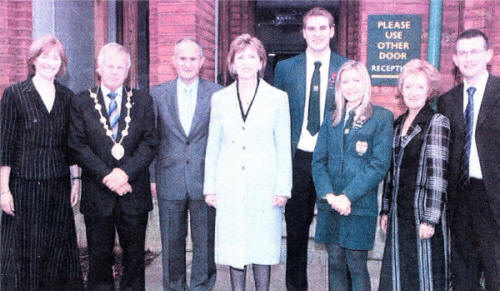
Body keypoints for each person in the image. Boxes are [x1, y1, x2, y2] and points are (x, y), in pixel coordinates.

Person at [204, 34, 291, 291]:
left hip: (265, 186)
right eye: (240, 57)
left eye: (251, 56)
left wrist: (282, 188)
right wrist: (210, 187)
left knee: (262, 247)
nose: (246, 62)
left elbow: (283, 146)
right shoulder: (220, 99)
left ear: (261, 61)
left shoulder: (277, 98)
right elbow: (213, 144)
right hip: (230, 184)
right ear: (232, 64)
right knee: (236, 247)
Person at [68, 43, 159, 291]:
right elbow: (77, 145)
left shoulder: (142, 100)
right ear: (99, 68)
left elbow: (150, 142)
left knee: (134, 261)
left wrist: (124, 173)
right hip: (98, 193)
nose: (115, 71)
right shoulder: (81, 102)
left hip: (133, 192)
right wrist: (108, 176)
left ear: (128, 70)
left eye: (121, 66)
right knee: (98, 261)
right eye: (110, 65)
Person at [273, 7, 348, 290]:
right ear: (303, 33)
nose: (317, 34)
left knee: (335, 234)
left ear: (332, 31)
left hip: (332, 161)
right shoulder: (285, 68)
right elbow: (279, 116)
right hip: (299, 160)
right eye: (311, 28)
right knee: (296, 232)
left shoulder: (345, 67)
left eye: (322, 28)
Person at [0, 35, 83, 290]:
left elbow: (72, 145)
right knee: (26, 257)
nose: (50, 62)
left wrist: (76, 180)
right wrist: (4, 190)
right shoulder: (15, 94)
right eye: (44, 57)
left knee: (58, 256)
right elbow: (5, 146)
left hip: (57, 187)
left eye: (55, 58)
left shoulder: (68, 97)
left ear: (62, 63)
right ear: (34, 60)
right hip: (24, 187)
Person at [311, 60, 393, 291]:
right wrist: (329, 195)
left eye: (356, 80)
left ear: (365, 83)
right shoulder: (331, 118)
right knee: (335, 262)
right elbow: (319, 161)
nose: (351, 86)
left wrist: (347, 197)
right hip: (331, 205)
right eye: (345, 81)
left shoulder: (381, 117)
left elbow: (379, 164)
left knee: (356, 265)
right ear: (339, 86)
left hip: (358, 206)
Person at [150, 37, 222, 291]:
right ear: (174, 61)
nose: (188, 63)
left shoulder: (217, 93)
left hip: (205, 181)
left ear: (202, 62)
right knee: (171, 245)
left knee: (204, 245)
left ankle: (202, 287)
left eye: (193, 58)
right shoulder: (158, 94)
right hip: (170, 180)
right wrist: (152, 178)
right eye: (183, 58)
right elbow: (151, 138)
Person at [378, 59, 450, 291]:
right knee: (399, 277)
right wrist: (385, 209)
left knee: (423, 277)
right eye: (408, 87)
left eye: (420, 87)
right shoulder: (398, 124)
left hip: (422, 215)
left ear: (430, 91)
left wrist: (430, 219)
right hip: (399, 215)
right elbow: (391, 171)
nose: (413, 92)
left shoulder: (436, 122)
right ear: (401, 90)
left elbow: (438, 175)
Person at [438, 29, 500, 291]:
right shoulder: (446, 101)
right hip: (460, 199)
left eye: (475, 51)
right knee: (463, 274)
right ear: (454, 59)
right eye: (462, 52)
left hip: (494, 200)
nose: (468, 58)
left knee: (496, 271)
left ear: (489, 55)